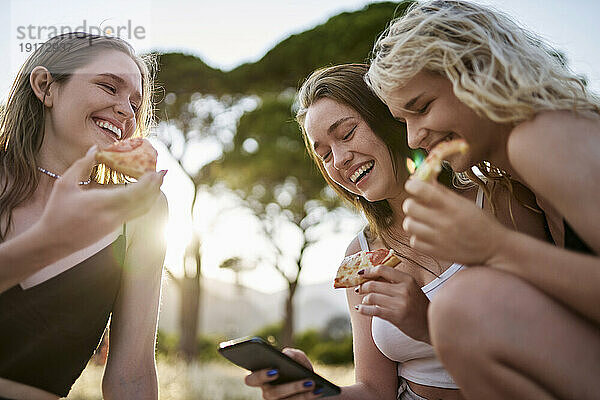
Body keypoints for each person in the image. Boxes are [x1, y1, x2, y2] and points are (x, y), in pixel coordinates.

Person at [244, 64, 547, 400]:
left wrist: (431, 325)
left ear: (388, 117)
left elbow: (552, 345)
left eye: (346, 134)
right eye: (325, 154)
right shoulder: (358, 255)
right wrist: (313, 392)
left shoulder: (498, 201)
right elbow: (375, 390)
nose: (340, 159)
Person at [366, 1, 600, 399]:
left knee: (463, 306)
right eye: (403, 121)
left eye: (421, 108)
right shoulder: (515, 182)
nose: (413, 137)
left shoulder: (543, 139)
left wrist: (495, 248)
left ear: (479, 71)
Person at [0, 33, 167, 400]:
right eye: (109, 86)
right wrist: (47, 242)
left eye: (135, 103)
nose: (126, 110)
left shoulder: (140, 212)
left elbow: (132, 375)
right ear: (45, 86)